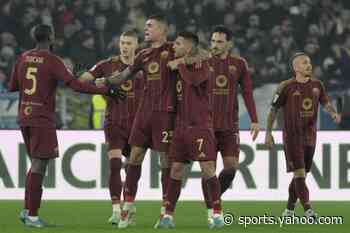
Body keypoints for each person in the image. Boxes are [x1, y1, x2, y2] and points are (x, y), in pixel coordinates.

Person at [8, 24, 124, 228]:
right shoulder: (53, 61)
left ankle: (27, 210)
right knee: (39, 165)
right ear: (51, 38)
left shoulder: (23, 58)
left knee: (35, 164)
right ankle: (33, 216)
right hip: (42, 118)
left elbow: (13, 86)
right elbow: (75, 85)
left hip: (24, 117)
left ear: (34, 37)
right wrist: (106, 90)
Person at [102, 14, 203, 228]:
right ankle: (127, 209)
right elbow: (123, 76)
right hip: (144, 114)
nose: (145, 29)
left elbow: (201, 55)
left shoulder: (172, 48)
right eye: (145, 25)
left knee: (165, 162)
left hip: (166, 115)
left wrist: (183, 60)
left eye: (150, 26)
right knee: (134, 157)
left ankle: (165, 213)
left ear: (163, 30)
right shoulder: (143, 54)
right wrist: (102, 80)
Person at [155, 31, 224, 229]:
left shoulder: (202, 65)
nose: (173, 47)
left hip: (200, 126)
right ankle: (168, 216)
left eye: (177, 44)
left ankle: (216, 214)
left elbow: (195, 81)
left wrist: (181, 64)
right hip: (180, 127)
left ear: (188, 47)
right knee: (175, 169)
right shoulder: (179, 63)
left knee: (207, 168)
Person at [264, 52, 341, 219]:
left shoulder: (317, 85)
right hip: (292, 137)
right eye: (305, 63)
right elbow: (273, 110)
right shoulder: (286, 86)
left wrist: (333, 113)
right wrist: (268, 133)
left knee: (301, 175)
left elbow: (325, 102)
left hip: (310, 136)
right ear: (295, 67)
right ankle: (308, 210)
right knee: (299, 174)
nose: (309, 65)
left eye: (310, 63)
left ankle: (289, 209)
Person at [78, 29, 143, 225]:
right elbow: (83, 79)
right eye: (122, 43)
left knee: (133, 167)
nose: (124, 47)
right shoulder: (108, 65)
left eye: (129, 43)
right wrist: (101, 86)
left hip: (138, 124)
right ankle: (116, 209)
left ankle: (128, 206)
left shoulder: (145, 66)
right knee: (114, 165)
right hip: (114, 122)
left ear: (137, 46)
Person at [202, 25, 259, 223]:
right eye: (213, 41)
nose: (215, 45)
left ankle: (211, 196)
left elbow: (248, 93)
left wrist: (254, 119)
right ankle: (213, 211)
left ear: (229, 44)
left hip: (229, 126)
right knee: (208, 169)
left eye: (219, 41)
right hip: (205, 125)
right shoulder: (202, 61)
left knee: (231, 168)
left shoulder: (239, 64)